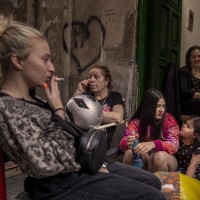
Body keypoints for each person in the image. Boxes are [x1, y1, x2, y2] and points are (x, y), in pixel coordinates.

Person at [0, 15, 165, 200]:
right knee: (153, 196)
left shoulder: (35, 99)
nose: (51, 67)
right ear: (18, 61)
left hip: (82, 164)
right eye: (45, 59)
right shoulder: (7, 107)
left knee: (153, 182)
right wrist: (59, 109)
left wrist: (97, 162)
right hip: (61, 182)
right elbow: (47, 163)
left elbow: (74, 132)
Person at [119, 88, 180, 172]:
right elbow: (122, 143)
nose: (162, 110)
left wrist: (153, 144)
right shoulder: (136, 122)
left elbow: (174, 144)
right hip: (144, 158)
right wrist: (129, 142)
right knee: (130, 153)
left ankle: (156, 184)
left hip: (165, 159)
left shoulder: (169, 120)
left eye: (163, 106)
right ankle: (133, 183)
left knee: (158, 157)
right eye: (158, 106)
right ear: (148, 106)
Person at [73, 65, 124, 146]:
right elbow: (71, 112)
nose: (91, 80)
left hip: (99, 144)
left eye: (96, 77)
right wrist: (78, 92)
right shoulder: (85, 96)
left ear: (106, 81)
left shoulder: (115, 97)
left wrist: (86, 113)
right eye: (90, 77)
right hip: (81, 140)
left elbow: (118, 118)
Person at [178, 45, 200, 120]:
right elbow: (183, 92)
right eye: (193, 57)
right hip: (187, 103)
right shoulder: (184, 71)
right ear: (189, 59)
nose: (196, 59)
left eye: (199, 56)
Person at [175, 116, 200, 184]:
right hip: (182, 168)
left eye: (188, 126)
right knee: (175, 176)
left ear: (195, 135)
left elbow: (193, 166)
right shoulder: (178, 140)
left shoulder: (198, 148)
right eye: (185, 123)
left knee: (197, 178)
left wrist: (186, 184)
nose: (184, 126)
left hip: (194, 169)